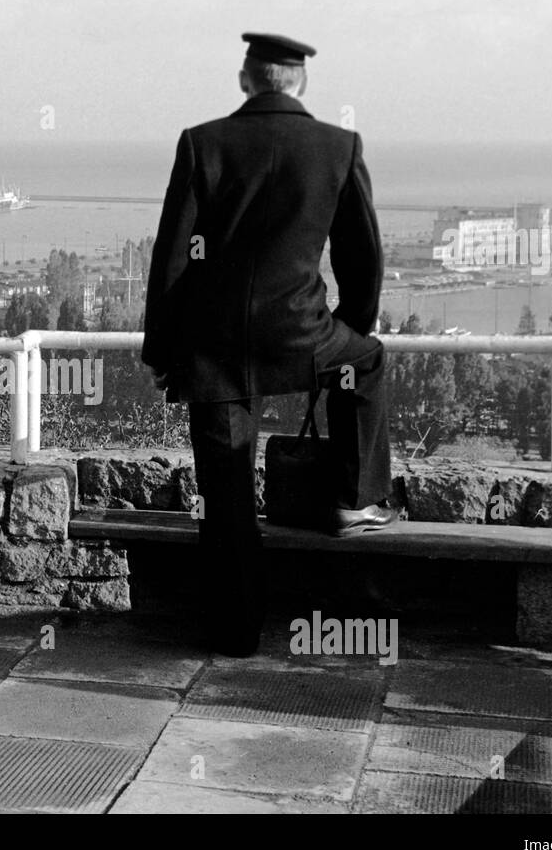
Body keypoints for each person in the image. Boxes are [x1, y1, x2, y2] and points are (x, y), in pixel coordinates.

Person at [142, 32, 396, 657]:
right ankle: (354, 498)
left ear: (246, 79)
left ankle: (234, 633)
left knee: (226, 496)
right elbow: (363, 256)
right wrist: (350, 327)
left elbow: (172, 257)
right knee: (366, 363)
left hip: (215, 348)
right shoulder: (338, 147)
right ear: (301, 82)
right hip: (305, 336)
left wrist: (163, 351)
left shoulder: (203, 143)